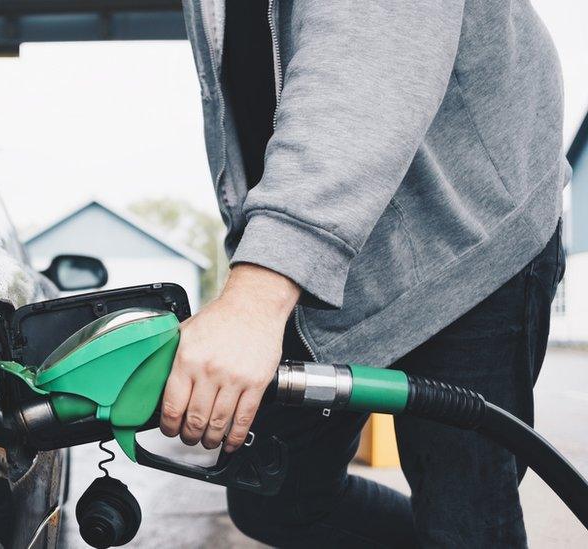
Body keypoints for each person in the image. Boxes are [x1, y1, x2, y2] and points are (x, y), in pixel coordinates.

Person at [159, 1, 568, 546]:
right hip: (324, 259)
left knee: (464, 517)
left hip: (464, 244)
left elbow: (364, 78)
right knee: (273, 499)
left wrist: (256, 295)